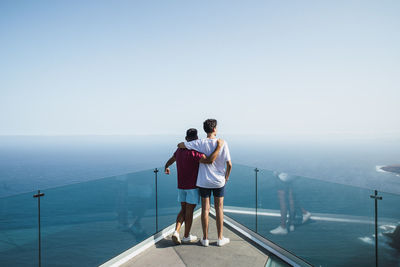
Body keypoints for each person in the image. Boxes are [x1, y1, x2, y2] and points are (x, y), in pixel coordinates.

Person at [165, 128, 224, 245]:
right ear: (196, 139)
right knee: (189, 211)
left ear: (186, 139)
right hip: (191, 187)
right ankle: (186, 236)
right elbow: (209, 161)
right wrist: (218, 147)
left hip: (180, 186)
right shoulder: (195, 153)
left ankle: (176, 232)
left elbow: (172, 160)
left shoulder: (179, 150)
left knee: (183, 209)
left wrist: (166, 166)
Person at [178, 119, 232, 247]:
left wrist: (188, 143)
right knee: (219, 209)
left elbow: (180, 145)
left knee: (205, 209)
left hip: (203, 182)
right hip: (219, 181)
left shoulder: (199, 143)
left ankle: (205, 239)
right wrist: (226, 177)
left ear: (205, 129)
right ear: (214, 129)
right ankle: (219, 239)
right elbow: (229, 164)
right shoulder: (222, 143)